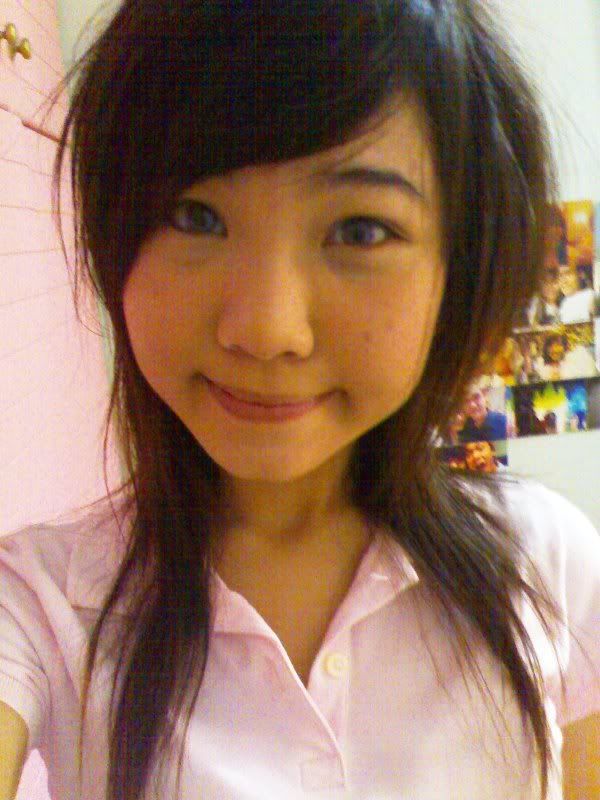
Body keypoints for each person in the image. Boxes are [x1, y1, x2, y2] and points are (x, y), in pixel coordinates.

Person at [0, 2, 599, 800]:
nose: (266, 330)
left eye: (360, 231)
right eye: (194, 216)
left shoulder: (548, 562)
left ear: (456, 273)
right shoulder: (38, 602)